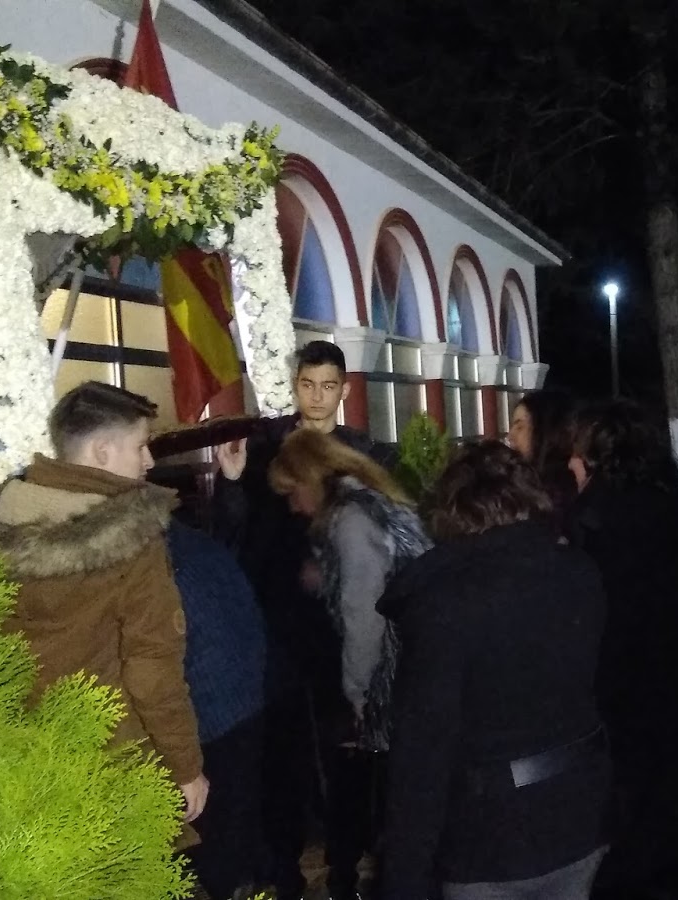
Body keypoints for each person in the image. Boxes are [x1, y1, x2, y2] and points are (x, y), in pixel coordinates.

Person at [0, 382, 207, 832]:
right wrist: (186, 766)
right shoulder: (130, 540)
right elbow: (152, 670)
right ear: (103, 451)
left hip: (12, 758)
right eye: (140, 446)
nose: (149, 461)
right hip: (110, 760)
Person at [378, 442, 610, 900]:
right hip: (579, 811)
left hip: (489, 837)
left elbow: (423, 753)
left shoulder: (444, 605)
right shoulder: (579, 572)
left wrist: (404, 875)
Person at [211, 340, 387, 900]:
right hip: (282, 625)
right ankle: (285, 868)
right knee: (284, 755)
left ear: (344, 389)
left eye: (328, 386)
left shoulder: (361, 454)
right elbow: (240, 531)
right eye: (308, 385)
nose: (317, 397)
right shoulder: (269, 449)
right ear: (295, 386)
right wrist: (232, 482)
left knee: (347, 755)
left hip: (340, 629)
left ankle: (343, 868)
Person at [268, 429, 431, 900]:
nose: (293, 506)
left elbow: (364, 613)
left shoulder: (349, 521)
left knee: (377, 788)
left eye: (293, 492)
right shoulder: (373, 502)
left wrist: (358, 693)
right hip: (417, 659)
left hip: (394, 672)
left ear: (311, 479)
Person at [567, 400, 678, 900]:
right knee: (667, 830)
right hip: (671, 694)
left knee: (624, 840)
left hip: (615, 701)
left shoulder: (591, 519)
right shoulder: (672, 511)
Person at [166, 518, 271, 899]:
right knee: (238, 824)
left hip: (210, 714)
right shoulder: (199, 544)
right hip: (245, 699)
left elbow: (164, 660)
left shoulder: (164, 563)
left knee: (211, 839)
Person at [507, 388, 579, 525]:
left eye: (520, 427)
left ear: (544, 431)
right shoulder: (527, 482)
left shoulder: (554, 493)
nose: (510, 437)